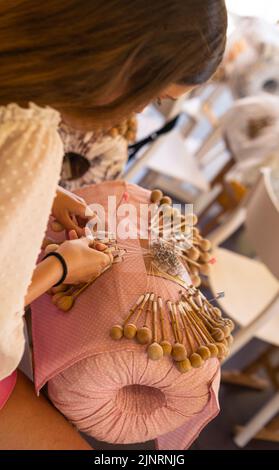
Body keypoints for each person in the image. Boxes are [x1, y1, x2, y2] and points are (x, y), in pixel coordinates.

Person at [0, 0, 227, 449]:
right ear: (126, 61)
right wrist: (61, 269)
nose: (136, 113)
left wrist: (42, 190)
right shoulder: (30, 135)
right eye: (153, 94)